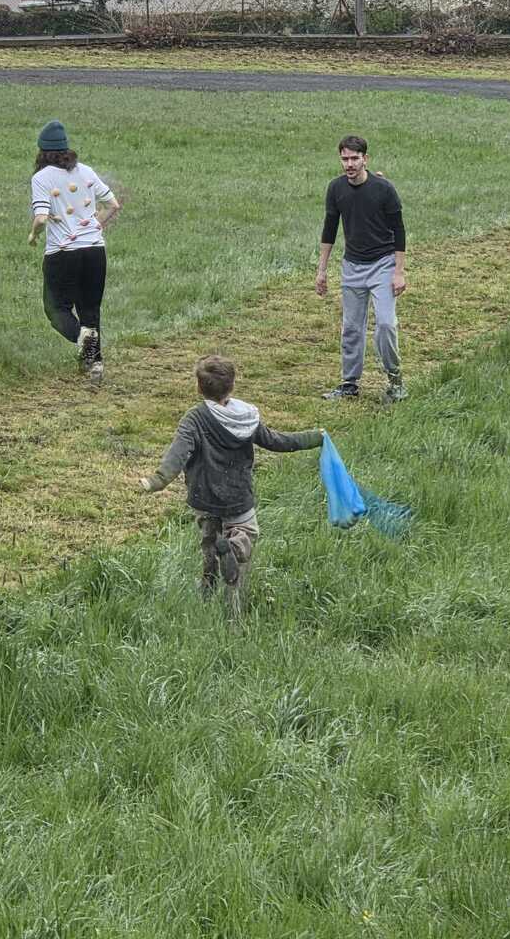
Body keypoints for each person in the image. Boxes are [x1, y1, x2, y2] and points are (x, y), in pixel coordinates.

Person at [139, 355, 323, 616]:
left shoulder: (194, 419)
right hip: (238, 497)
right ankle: (233, 589)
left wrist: (158, 480)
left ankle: (206, 594)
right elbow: (277, 441)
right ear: (232, 385)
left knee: (210, 547)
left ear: (198, 387)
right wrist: (314, 437)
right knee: (246, 536)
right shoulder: (245, 418)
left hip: (204, 498)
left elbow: (177, 454)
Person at [316, 134, 407, 403]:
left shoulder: (384, 189)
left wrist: (398, 271)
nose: (349, 164)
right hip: (352, 266)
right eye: (345, 159)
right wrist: (322, 270)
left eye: (355, 158)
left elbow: (399, 230)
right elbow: (329, 230)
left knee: (386, 325)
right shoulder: (336, 189)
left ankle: (395, 381)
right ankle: (349, 384)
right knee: (352, 328)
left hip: (382, 264)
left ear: (365, 159)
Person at [29, 119, 120, 387]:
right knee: (90, 310)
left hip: (62, 253)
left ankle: (82, 339)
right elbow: (113, 205)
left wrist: (33, 235)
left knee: (55, 308)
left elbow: (41, 217)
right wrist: (95, 226)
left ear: (42, 152)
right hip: (95, 251)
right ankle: (94, 366)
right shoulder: (86, 171)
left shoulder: (41, 178)